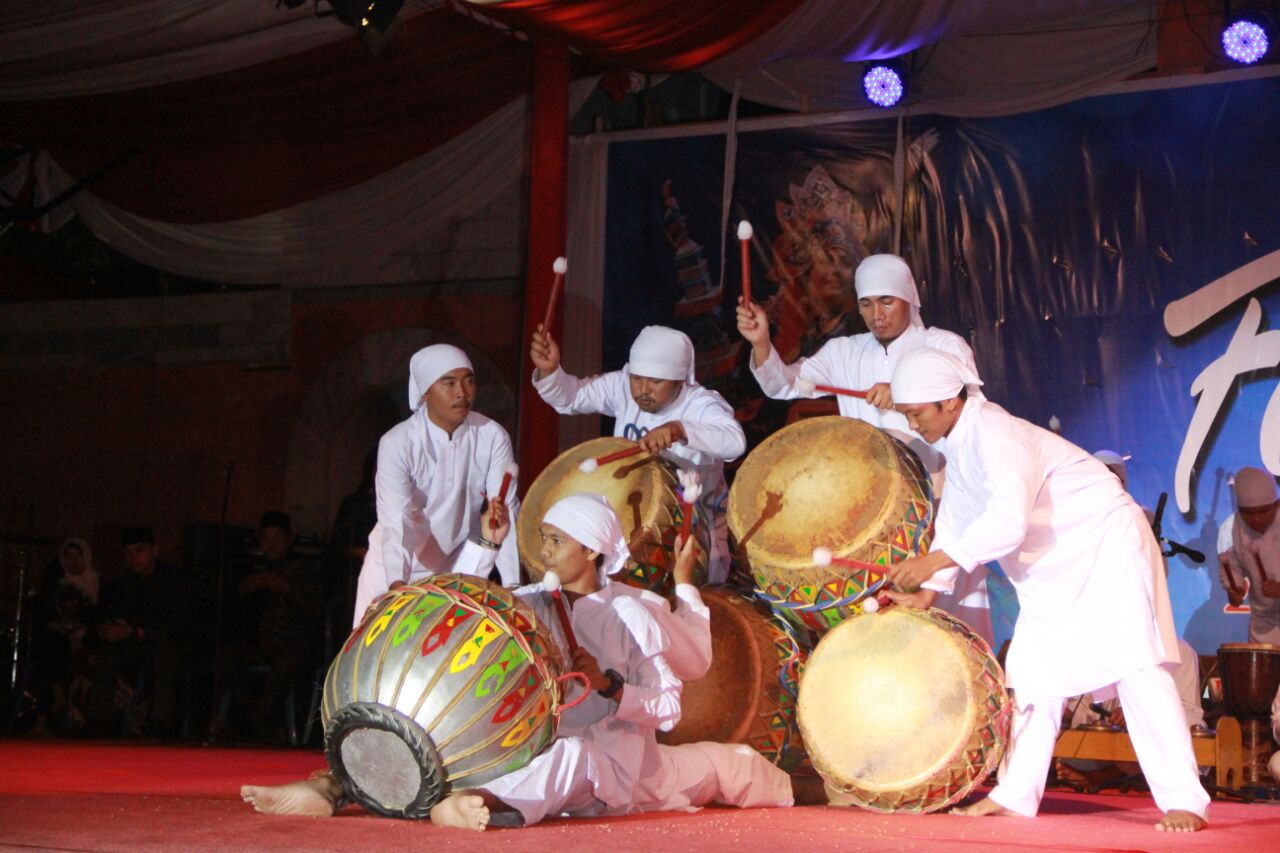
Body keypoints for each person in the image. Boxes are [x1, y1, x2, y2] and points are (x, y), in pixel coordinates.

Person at [243, 494, 804, 823]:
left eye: (557, 540)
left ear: (592, 550)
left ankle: (473, 802)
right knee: (447, 727)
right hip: (518, 744)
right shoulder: (533, 602)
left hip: (622, 767)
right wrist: (488, 544)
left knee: (723, 766)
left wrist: (608, 687)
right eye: (541, 537)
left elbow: (668, 711)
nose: (543, 550)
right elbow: (457, 606)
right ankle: (332, 786)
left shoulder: (633, 613)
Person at [881, 347, 1209, 833]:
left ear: (951, 401)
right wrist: (931, 589)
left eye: (917, 414)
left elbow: (1007, 521)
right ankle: (1015, 794)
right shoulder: (959, 443)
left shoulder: (996, 433)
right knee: (1033, 673)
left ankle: (1185, 799)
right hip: (1055, 564)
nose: (914, 424)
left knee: (1136, 663)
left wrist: (933, 561)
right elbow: (957, 521)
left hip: (1104, 542)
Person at [737, 253, 992, 645]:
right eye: (866, 303)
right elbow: (785, 386)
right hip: (876, 520)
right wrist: (762, 343)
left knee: (958, 623)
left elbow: (970, 404)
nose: (877, 314)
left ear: (909, 298)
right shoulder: (845, 353)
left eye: (887, 301)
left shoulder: (940, 344)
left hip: (945, 501)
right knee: (896, 633)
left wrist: (909, 392)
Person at [529, 324, 746, 584]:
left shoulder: (700, 404)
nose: (643, 389)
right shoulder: (622, 386)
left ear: (679, 379)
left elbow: (735, 442)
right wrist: (551, 371)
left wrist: (680, 429)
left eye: (656, 381)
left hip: (699, 530)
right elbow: (571, 398)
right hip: (634, 522)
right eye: (636, 378)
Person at [374, 343, 521, 592]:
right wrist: (398, 586)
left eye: (468, 381)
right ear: (425, 392)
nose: (462, 392)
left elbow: (505, 512)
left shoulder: (492, 435)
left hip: (464, 564)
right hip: (396, 567)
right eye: (449, 383)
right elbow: (396, 520)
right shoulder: (397, 443)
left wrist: (512, 584)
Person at [1092, 450, 1205, 731]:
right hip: (1097, 632)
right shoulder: (1077, 523)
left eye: (1112, 477)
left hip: (1141, 633)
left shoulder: (1140, 519)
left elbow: (1156, 578)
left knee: (1179, 657)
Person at [222, 512, 323, 742]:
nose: (270, 545)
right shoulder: (251, 568)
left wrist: (284, 588)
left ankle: (262, 720)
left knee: (287, 662)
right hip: (257, 643)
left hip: (291, 642)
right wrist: (247, 587)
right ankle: (248, 718)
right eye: (265, 539)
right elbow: (232, 606)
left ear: (288, 539)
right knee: (229, 657)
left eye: (276, 538)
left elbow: (314, 610)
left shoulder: (304, 569)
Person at [89, 527, 186, 738]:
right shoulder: (123, 584)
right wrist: (107, 629)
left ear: (155, 550)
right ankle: (100, 721)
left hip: (164, 644)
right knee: (107, 650)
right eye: (128, 552)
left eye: (140, 550)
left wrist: (135, 631)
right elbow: (109, 613)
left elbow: (176, 624)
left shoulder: (174, 580)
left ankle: (160, 722)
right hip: (134, 645)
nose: (134, 558)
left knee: (166, 652)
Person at [1218, 466, 1279, 643]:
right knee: (1263, 671)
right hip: (1264, 621)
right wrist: (1234, 588)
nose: (1256, 519)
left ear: (1277, 504)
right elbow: (1233, 561)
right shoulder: (1237, 525)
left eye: (1263, 511)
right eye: (1248, 513)